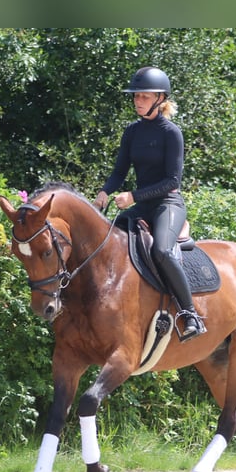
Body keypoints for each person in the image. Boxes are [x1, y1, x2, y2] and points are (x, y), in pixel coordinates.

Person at [93, 66, 206, 341]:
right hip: (143, 205)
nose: (138, 101)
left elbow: (172, 181)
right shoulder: (132, 132)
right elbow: (120, 171)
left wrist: (132, 196)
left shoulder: (171, 133)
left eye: (144, 97)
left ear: (160, 98)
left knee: (163, 251)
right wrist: (105, 191)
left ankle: (189, 314)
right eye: (135, 97)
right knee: (107, 241)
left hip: (167, 204)